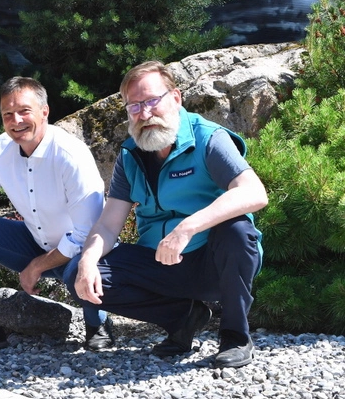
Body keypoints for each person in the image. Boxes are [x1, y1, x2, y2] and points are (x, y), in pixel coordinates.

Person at [71, 60, 268, 369]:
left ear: (175, 98)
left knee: (238, 231)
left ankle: (235, 337)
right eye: (134, 106)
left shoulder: (208, 139)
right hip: (160, 262)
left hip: (213, 262)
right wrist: (87, 261)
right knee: (78, 274)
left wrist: (187, 227)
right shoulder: (129, 155)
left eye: (152, 101)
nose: (145, 113)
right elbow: (108, 225)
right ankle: (183, 317)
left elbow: (254, 193)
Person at [0, 76, 107, 358]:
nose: (16, 121)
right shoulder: (2, 147)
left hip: (80, 251)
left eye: (24, 111)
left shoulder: (69, 154)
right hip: (33, 242)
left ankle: (97, 323)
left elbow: (87, 234)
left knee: (82, 266)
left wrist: (37, 265)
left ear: (44, 111)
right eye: (8, 114)